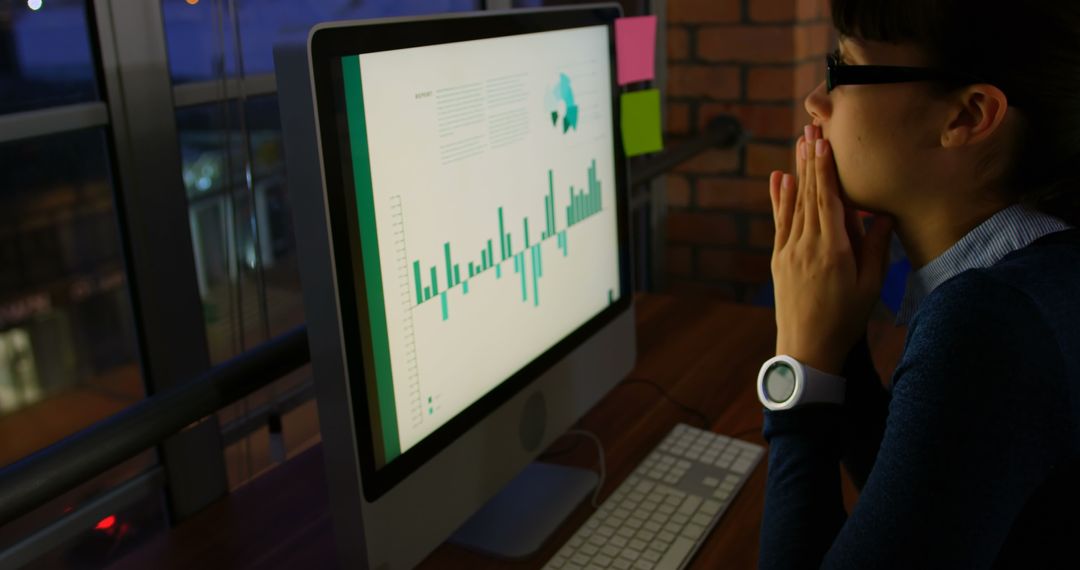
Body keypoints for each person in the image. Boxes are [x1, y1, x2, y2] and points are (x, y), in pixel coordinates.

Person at [758, 0, 1080, 567]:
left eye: (842, 68)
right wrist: (835, 333)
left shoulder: (989, 325)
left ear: (967, 116)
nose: (815, 101)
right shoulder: (1039, 277)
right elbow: (922, 507)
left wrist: (799, 373)